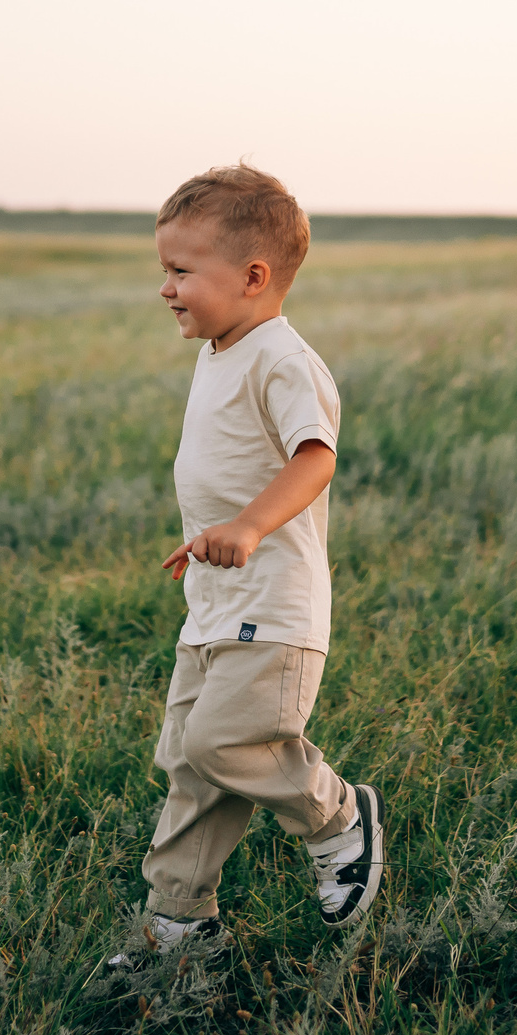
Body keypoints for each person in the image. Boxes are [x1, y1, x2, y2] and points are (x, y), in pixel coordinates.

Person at [108, 164, 384, 969]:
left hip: (275, 604)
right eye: (165, 269)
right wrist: (207, 539)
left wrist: (251, 526)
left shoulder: (282, 358)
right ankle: (179, 922)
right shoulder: (223, 349)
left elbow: (316, 457)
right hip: (215, 600)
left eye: (182, 271)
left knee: (232, 740)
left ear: (253, 276)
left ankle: (337, 819)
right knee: (189, 759)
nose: (166, 287)